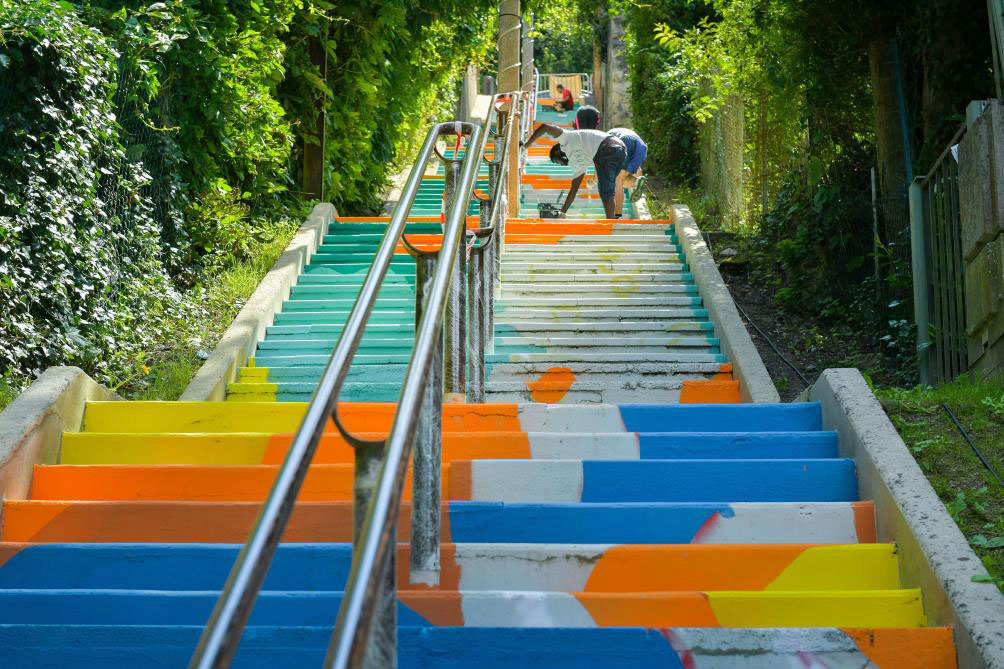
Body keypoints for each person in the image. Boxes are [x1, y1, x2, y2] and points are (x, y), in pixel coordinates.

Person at [524, 123, 627, 219]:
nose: (560, 164)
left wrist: (527, 145)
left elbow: (545, 127)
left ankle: (611, 224)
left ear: (559, 153)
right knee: (608, 189)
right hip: (620, 149)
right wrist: (563, 212)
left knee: (606, 191)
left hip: (606, 147)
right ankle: (614, 219)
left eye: (557, 161)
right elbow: (573, 190)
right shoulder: (577, 164)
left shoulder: (565, 139)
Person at [608, 127, 648, 215]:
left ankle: (618, 215)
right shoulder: (615, 133)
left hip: (625, 141)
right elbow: (638, 168)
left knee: (618, 180)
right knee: (628, 175)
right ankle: (637, 182)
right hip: (641, 146)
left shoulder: (604, 139)